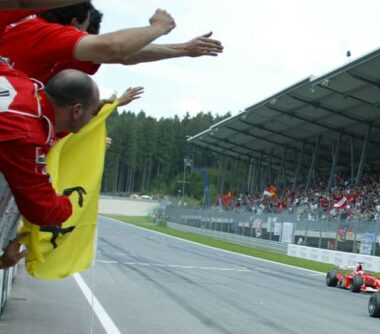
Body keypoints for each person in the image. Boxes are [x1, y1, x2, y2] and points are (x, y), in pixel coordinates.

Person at [0, 3, 222, 84]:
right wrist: (158, 28)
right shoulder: (43, 34)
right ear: (73, 23)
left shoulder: (29, 32)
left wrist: (183, 49)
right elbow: (110, 46)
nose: (87, 36)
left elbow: (122, 55)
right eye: (85, 30)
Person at [0, 66, 100, 225]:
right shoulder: (26, 137)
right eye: (93, 113)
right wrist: (68, 203)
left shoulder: (17, 77)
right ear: (77, 111)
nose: (91, 119)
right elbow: (46, 212)